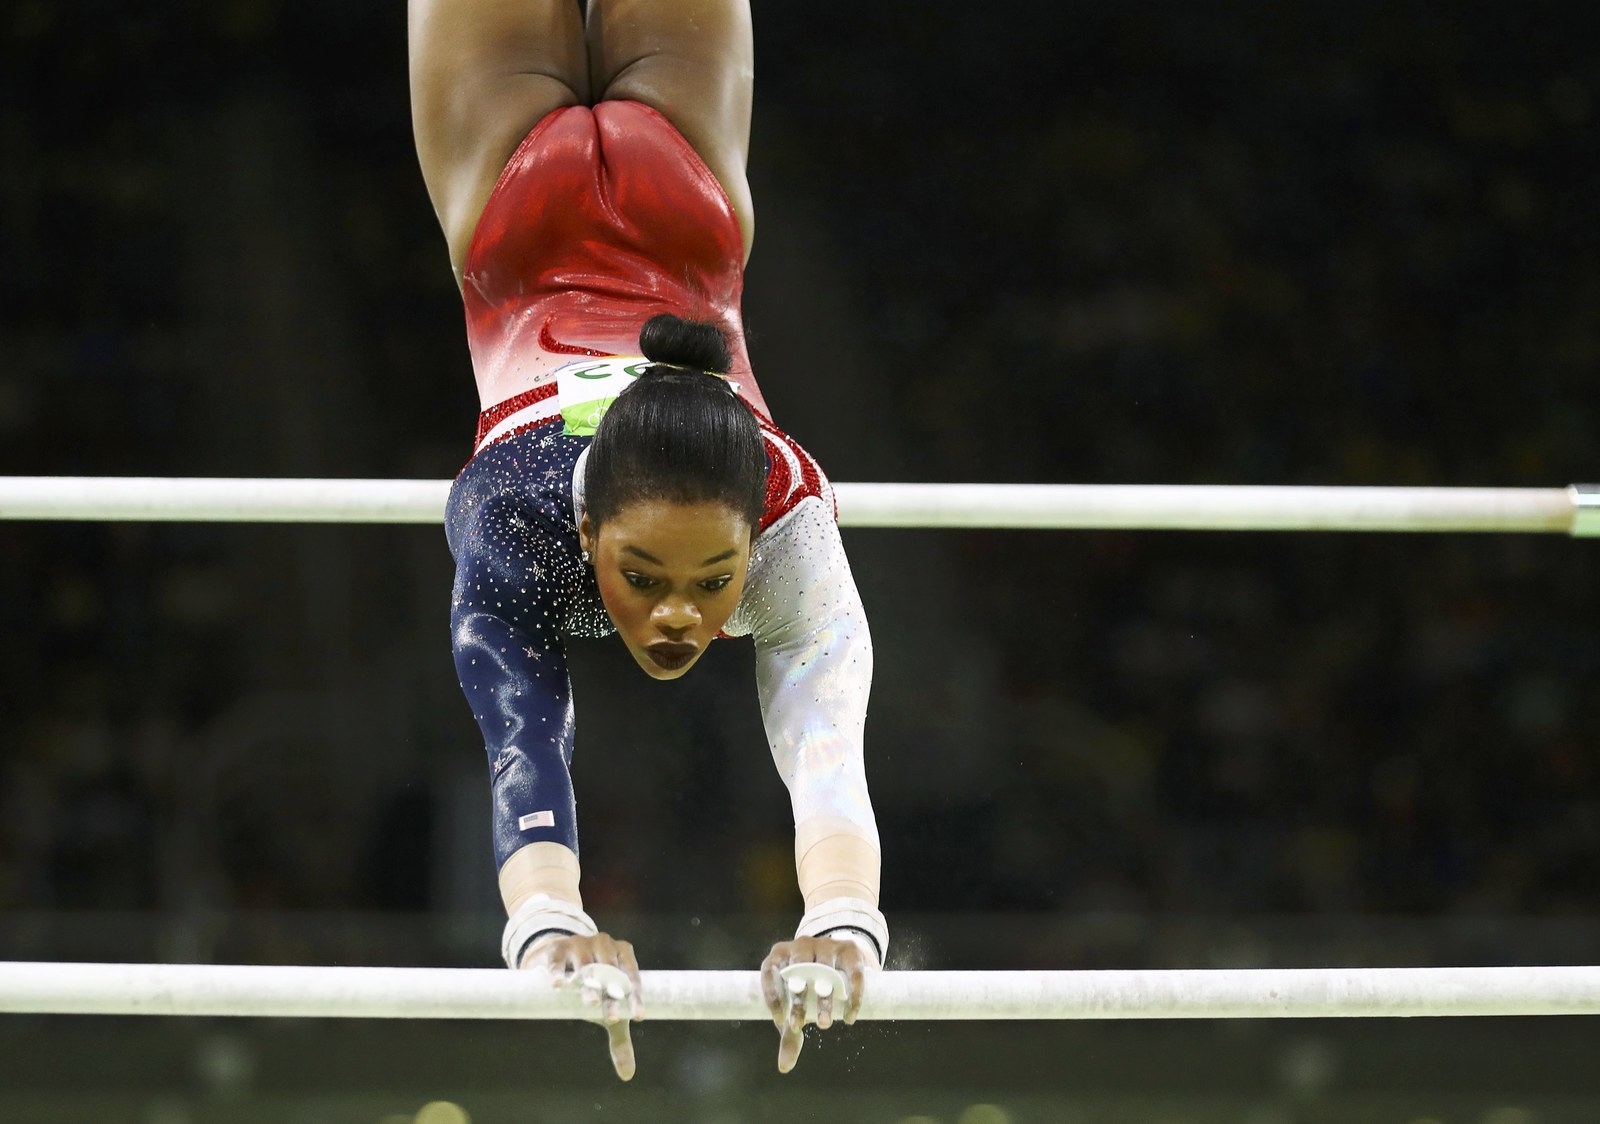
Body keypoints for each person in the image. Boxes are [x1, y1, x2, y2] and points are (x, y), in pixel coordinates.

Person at [408, 0, 886, 1080]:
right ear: (583, 529)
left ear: (751, 539)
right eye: (646, 575)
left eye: (715, 579)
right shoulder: (519, 523)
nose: (681, 612)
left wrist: (845, 925)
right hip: (687, 199)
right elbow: (523, 748)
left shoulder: (788, 522)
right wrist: (550, 926)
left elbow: (827, 755)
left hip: (509, 205)